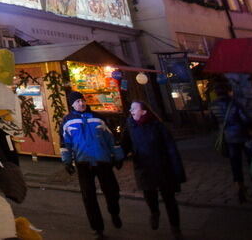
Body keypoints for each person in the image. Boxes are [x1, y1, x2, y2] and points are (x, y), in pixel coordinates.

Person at [60, 90, 124, 240]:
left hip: (102, 160)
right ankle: (97, 228)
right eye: (77, 102)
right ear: (72, 104)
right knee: (89, 196)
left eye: (82, 101)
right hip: (83, 162)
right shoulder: (67, 121)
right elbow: (65, 143)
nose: (81, 103)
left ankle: (114, 211)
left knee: (112, 191)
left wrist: (118, 155)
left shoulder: (98, 118)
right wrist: (67, 161)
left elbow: (110, 138)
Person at [121, 101, 186, 238]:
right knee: (149, 195)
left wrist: (177, 169)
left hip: (162, 166)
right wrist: (118, 158)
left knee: (169, 199)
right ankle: (154, 212)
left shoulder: (157, 126)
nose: (131, 111)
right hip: (143, 167)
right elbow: (125, 144)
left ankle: (176, 228)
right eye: (131, 108)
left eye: (134, 108)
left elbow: (171, 148)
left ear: (144, 111)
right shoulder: (130, 125)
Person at [209, 80, 252, 202]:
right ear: (228, 90)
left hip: (228, 137)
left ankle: (239, 187)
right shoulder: (235, 103)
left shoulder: (213, 105)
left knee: (235, 164)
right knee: (251, 161)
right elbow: (245, 119)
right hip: (243, 135)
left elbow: (212, 122)